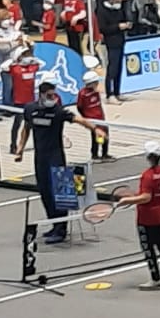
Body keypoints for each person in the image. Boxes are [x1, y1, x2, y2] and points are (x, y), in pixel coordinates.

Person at [13, 81, 100, 245]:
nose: (53, 98)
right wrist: (20, 149)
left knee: (60, 194)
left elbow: (78, 119)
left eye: (54, 95)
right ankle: (54, 224)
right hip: (40, 159)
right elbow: (26, 129)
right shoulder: (30, 109)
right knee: (44, 192)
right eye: (50, 95)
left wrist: (95, 129)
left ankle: (61, 229)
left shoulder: (58, 111)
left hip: (56, 157)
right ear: (41, 95)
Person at [130, 141, 160, 289]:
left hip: (146, 217)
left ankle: (155, 279)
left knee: (148, 247)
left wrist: (126, 200)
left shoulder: (147, 176)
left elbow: (146, 197)